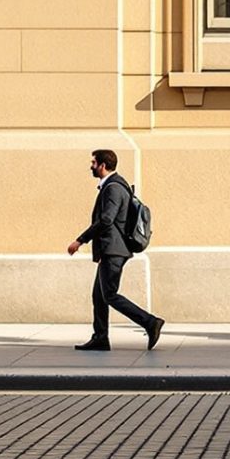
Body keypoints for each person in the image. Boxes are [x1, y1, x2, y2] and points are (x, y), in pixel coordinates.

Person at [67, 148, 163, 351]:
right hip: (110, 249)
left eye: (93, 162)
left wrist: (80, 240)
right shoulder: (113, 186)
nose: (91, 166)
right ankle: (100, 337)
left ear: (102, 165)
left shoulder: (113, 188)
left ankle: (150, 322)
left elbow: (107, 219)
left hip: (114, 249)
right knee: (98, 295)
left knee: (109, 294)